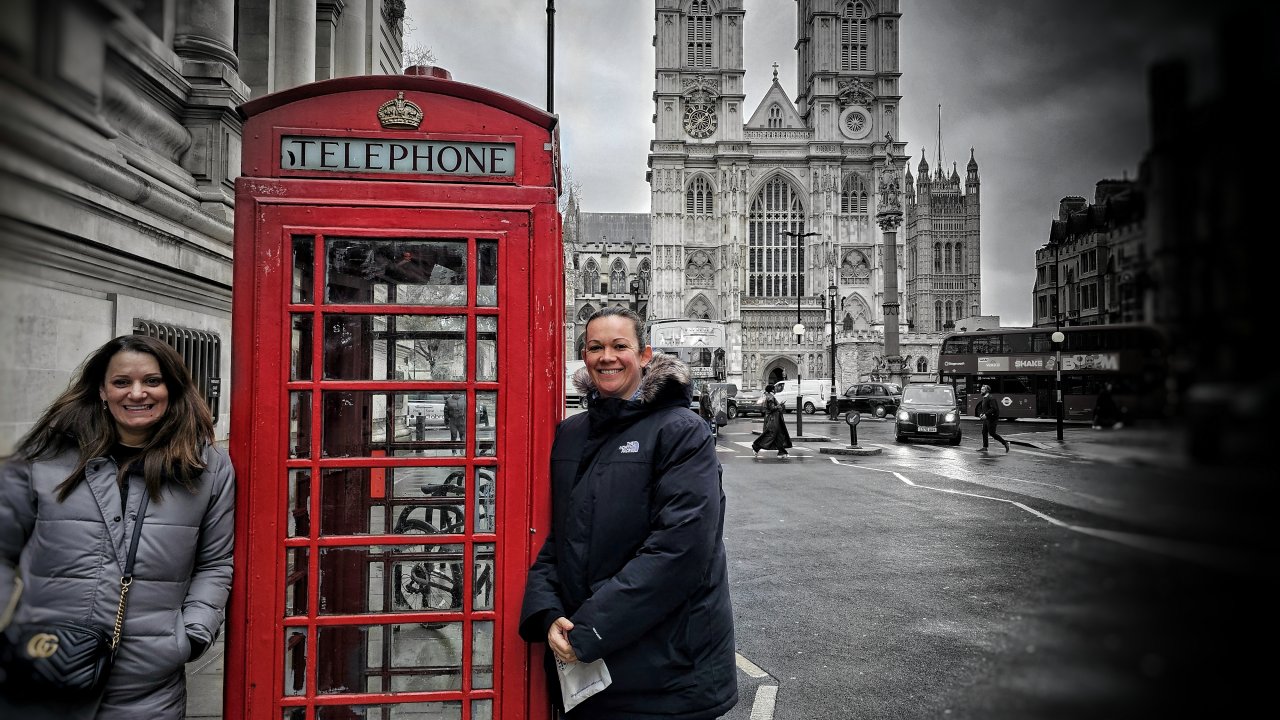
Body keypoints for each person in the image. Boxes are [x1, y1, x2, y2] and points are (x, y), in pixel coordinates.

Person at [0, 335, 235, 719]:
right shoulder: (45, 456)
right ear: (102, 390)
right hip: (42, 668)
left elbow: (215, 562)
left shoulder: (206, 467)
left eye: (152, 381)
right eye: (122, 382)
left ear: (172, 388)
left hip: (147, 684)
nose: (137, 393)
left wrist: (191, 635)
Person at [519, 306, 737, 719]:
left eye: (621, 346)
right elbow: (555, 538)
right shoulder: (571, 434)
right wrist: (546, 612)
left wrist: (590, 630)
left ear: (645, 355)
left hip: (668, 672)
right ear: (583, 354)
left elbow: (680, 550)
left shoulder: (680, 430)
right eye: (596, 346)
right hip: (585, 666)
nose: (607, 357)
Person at [751, 383, 793, 458]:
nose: (775, 390)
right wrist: (780, 405)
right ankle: (756, 447)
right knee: (771, 435)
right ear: (772, 390)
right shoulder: (770, 397)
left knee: (778, 435)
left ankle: (782, 452)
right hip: (773, 420)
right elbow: (772, 408)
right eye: (774, 388)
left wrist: (779, 406)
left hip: (775, 419)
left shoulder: (770, 396)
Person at [974, 384, 1010, 453]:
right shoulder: (984, 398)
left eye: (982, 389)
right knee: (984, 432)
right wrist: (981, 414)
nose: (981, 391)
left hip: (992, 418)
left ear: (987, 390)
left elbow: (994, 408)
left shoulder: (991, 398)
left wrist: (986, 414)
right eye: (981, 389)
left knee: (992, 433)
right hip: (987, 418)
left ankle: (1005, 443)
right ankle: (985, 447)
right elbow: (982, 408)